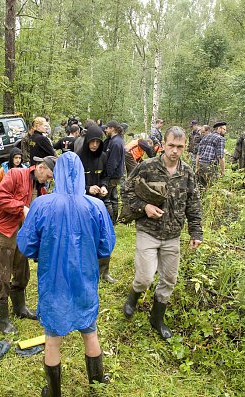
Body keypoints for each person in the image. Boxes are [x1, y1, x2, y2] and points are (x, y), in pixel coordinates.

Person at [17, 152, 116, 396]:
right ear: (81, 174)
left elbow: (27, 244)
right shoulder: (96, 205)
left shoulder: (42, 204)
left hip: (53, 280)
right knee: (90, 331)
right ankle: (97, 382)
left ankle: (53, 391)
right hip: (84, 277)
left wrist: (42, 252)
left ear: (58, 173)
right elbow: (106, 245)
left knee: (52, 337)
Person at [122, 126, 203, 339]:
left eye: (180, 147)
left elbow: (193, 203)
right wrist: (144, 207)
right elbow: (127, 190)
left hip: (173, 235)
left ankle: (156, 318)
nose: (175, 151)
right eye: (171, 145)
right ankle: (133, 297)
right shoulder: (147, 167)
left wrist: (196, 233)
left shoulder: (187, 172)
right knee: (145, 276)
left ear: (184, 147)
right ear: (163, 145)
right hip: (148, 231)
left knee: (169, 279)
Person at [0, 155, 55, 334]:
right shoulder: (16, 174)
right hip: (3, 230)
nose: (49, 180)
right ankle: (2, 320)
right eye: (48, 176)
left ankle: (20, 308)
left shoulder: (41, 189)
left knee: (22, 271)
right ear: (40, 167)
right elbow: (0, 197)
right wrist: (21, 207)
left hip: (23, 234)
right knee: (3, 275)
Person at [77, 125, 119, 284]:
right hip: (82, 204)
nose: (94, 145)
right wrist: (87, 189)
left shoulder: (103, 156)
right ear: (87, 141)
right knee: (85, 238)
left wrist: (104, 187)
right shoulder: (79, 157)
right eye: (92, 141)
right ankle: (85, 271)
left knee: (104, 236)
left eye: (97, 142)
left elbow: (106, 177)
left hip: (100, 204)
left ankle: (104, 272)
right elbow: (73, 181)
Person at [103, 120, 125, 224]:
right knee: (113, 198)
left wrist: (107, 176)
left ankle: (111, 221)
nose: (105, 130)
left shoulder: (116, 142)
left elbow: (113, 162)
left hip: (112, 175)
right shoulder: (116, 140)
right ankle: (114, 221)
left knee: (107, 199)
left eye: (107, 128)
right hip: (116, 174)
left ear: (112, 128)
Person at [196, 121, 226, 188]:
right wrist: (223, 171)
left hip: (201, 164)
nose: (225, 131)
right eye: (224, 129)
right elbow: (220, 156)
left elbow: (198, 154)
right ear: (219, 129)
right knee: (211, 187)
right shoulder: (220, 138)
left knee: (201, 187)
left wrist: (197, 167)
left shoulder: (205, 137)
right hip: (210, 166)